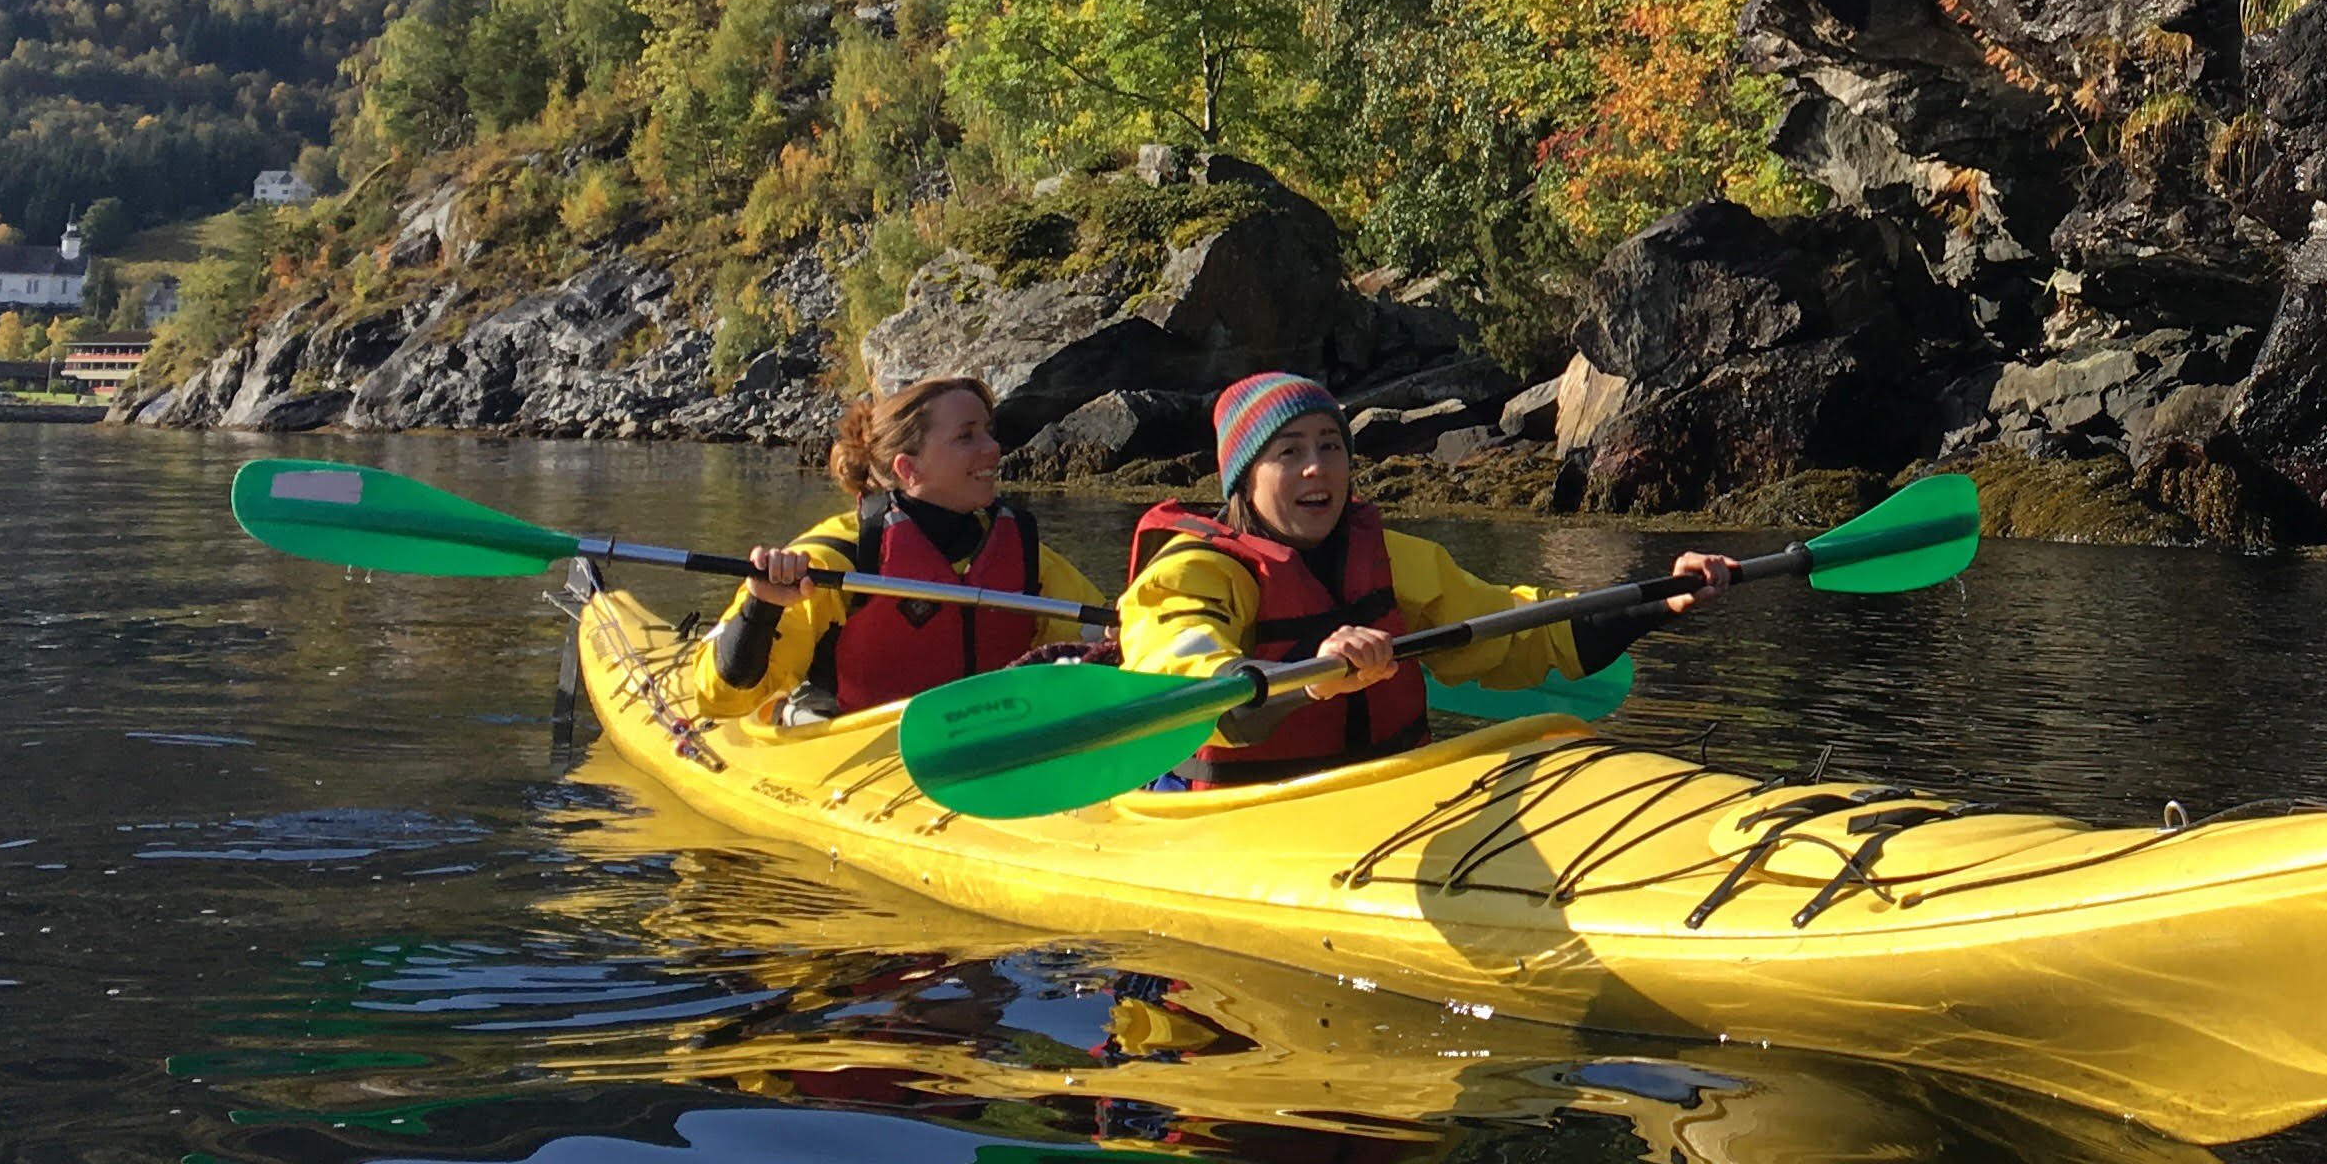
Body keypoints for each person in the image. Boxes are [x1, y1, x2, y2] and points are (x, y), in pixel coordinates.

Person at [1121, 369, 1727, 783]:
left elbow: (1517, 633)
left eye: (1331, 446)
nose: (1317, 469)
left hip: (1391, 795)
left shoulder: (1393, 559)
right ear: (1245, 479)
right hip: (1238, 820)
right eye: (1289, 452)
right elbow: (1185, 689)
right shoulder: (1191, 573)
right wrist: (1311, 681)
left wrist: (1661, 598)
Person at [696, 374, 1107, 720]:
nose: (992, 448)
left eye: (987, 431)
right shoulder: (838, 557)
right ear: (908, 469)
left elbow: (1100, 644)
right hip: (854, 747)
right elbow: (725, 697)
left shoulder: (1022, 551)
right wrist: (762, 606)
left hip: (985, 738)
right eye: (966, 437)